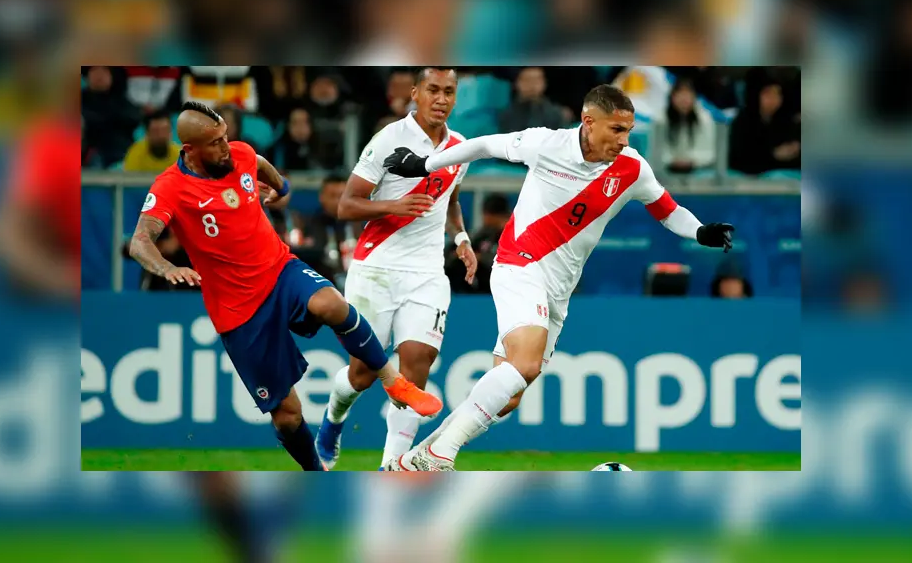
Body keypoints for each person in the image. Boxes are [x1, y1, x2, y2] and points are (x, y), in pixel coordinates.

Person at [381, 85, 735, 471]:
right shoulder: (545, 145)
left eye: (629, 131)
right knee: (525, 364)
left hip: (559, 290)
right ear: (589, 121)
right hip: (521, 264)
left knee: (508, 396)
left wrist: (700, 231)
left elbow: (667, 209)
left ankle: (415, 459)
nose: (624, 140)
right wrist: (424, 165)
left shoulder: (633, 168)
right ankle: (440, 454)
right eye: (617, 129)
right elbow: (483, 145)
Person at [128, 101, 442, 471]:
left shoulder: (239, 154)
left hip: (279, 270)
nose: (226, 147)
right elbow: (140, 241)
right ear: (189, 150)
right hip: (239, 310)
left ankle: (394, 383)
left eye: (225, 137)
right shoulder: (171, 187)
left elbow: (260, 164)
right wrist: (165, 266)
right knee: (288, 416)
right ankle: (317, 475)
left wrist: (281, 187)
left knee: (332, 305)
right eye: (215, 143)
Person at [315, 68, 477, 470]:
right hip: (377, 268)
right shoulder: (389, 139)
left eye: (449, 91)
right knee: (363, 374)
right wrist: (393, 205)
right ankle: (333, 419)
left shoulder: (459, 147)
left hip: (427, 274)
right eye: (433, 90)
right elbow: (346, 205)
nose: (441, 99)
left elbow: (451, 199)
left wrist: (461, 238)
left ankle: (391, 467)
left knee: (415, 369)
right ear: (416, 93)